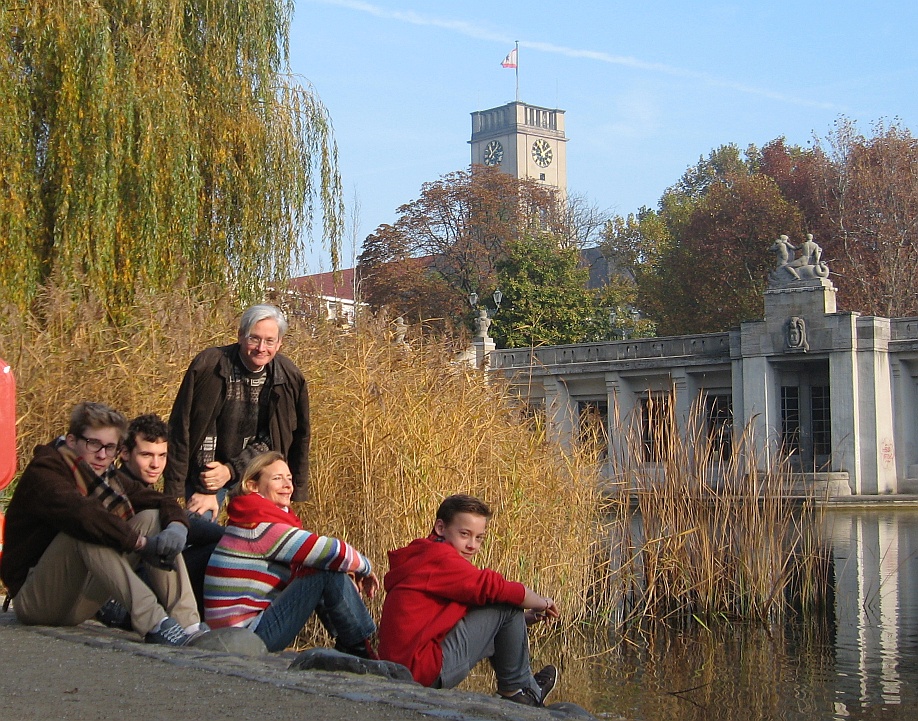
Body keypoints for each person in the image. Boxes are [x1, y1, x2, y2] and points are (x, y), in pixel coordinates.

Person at [0, 402, 205, 646]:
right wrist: (140, 544)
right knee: (85, 530)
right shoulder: (46, 470)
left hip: (79, 602)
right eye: (93, 444)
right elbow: (81, 513)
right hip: (35, 600)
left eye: (110, 448)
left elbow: (160, 501)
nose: (102, 455)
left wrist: (177, 528)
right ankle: (155, 623)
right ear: (73, 440)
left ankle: (188, 624)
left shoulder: (108, 478)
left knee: (151, 517)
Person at [377, 494, 560, 707]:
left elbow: (458, 616)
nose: (472, 545)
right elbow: (495, 587)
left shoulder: (424, 554)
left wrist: (523, 618)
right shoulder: (440, 558)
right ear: (440, 528)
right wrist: (543, 602)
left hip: (404, 666)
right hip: (420, 670)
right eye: (465, 534)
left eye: (479, 538)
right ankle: (520, 693)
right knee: (505, 604)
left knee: (507, 609)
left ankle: (527, 688)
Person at [203, 452, 378, 654]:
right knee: (324, 573)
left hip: (241, 631)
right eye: (277, 478)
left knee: (320, 567)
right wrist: (365, 567)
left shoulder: (253, 517)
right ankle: (361, 648)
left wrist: (349, 571)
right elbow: (331, 551)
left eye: (289, 478)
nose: (287, 485)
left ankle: (353, 645)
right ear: (252, 486)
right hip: (244, 638)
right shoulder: (258, 526)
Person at [163, 304, 310, 520]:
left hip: (258, 471)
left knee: (263, 534)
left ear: (279, 344)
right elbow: (184, 425)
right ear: (240, 336)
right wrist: (205, 488)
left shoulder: (289, 377)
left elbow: (292, 435)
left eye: (269, 341)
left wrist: (294, 486)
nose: (261, 348)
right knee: (199, 527)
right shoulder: (209, 366)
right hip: (206, 469)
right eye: (254, 338)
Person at [117, 414, 224, 616]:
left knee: (217, 543)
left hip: (138, 580)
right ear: (124, 452)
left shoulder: (146, 488)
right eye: (146, 455)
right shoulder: (119, 486)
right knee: (217, 549)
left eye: (162, 456)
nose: (155, 464)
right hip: (119, 595)